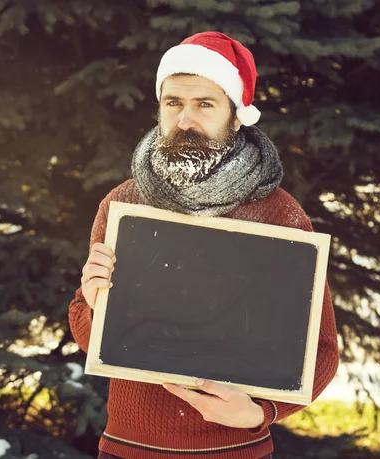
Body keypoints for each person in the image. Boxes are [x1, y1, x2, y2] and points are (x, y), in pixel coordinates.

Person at [68, 31, 339, 459]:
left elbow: (321, 351)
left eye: (204, 105)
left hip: (237, 451)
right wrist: (96, 302)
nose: (184, 120)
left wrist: (260, 413)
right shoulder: (124, 204)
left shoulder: (280, 216)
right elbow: (89, 336)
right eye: (173, 102)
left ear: (236, 116)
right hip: (126, 449)